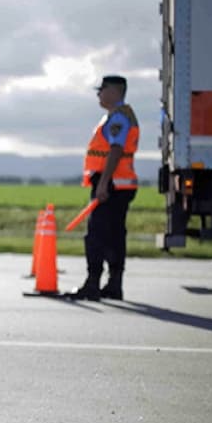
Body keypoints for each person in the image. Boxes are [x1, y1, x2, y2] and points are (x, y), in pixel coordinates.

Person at [66, 75, 139, 301]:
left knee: (96, 236)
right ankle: (113, 285)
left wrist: (104, 182)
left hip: (111, 185)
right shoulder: (120, 116)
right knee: (115, 236)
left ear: (115, 92)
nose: (98, 94)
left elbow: (116, 150)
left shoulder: (118, 118)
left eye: (102, 90)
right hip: (119, 184)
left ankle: (93, 284)